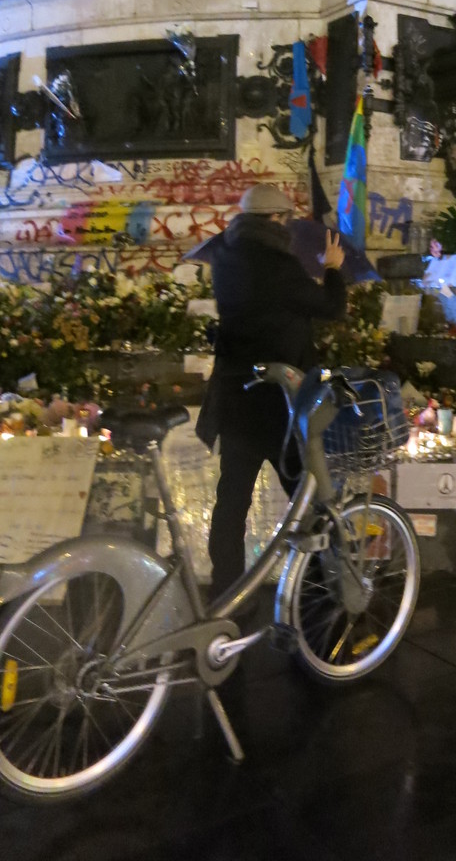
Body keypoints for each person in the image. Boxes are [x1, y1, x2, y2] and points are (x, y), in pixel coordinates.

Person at [197, 183, 347, 601]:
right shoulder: (279, 265)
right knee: (307, 495)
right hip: (280, 403)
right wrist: (332, 268)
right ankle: (322, 583)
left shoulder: (224, 256)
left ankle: (226, 592)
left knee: (231, 503)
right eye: (285, 220)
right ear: (276, 220)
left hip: (236, 397)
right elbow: (332, 308)